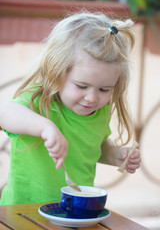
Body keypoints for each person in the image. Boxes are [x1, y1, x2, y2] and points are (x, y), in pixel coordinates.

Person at [0, 11, 141, 205]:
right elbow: (6, 113)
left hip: (74, 211)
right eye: (81, 86)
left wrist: (114, 155)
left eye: (104, 89)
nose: (92, 97)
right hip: (23, 211)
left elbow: (94, 145)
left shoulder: (100, 112)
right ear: (57, 72)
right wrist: (45, 127)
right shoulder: (40, 101)